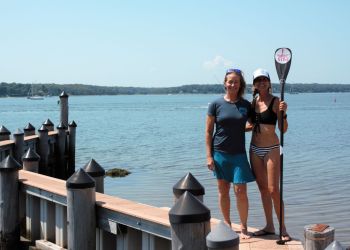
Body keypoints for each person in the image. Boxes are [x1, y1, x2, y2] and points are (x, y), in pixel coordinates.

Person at [206, 68, 255, 239]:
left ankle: (243, 227)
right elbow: (208, 131)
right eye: (230, 81)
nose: (233, 84)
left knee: (241, 190)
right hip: (219, 153)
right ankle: (227, 223)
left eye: (236, 81)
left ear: (240, 84)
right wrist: (209, 156)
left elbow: (253, 123)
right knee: (223, 190)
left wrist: (241, 129)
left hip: (239, 154)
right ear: (225, 83)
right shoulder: (215, 104)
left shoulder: (246, 105)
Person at [249, 68, 291, 241]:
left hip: (272, 148)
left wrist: (283, 113)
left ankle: (283, 230)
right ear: (254, 84)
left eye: (264, 79)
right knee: (263, 190)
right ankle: (269, 226)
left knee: (274, 190)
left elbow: (284, 129)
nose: (261, 82)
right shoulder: (252, 102)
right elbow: (250, 125)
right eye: (258, 80)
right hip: (254, 149)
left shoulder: (276, 101)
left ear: (269, 82)